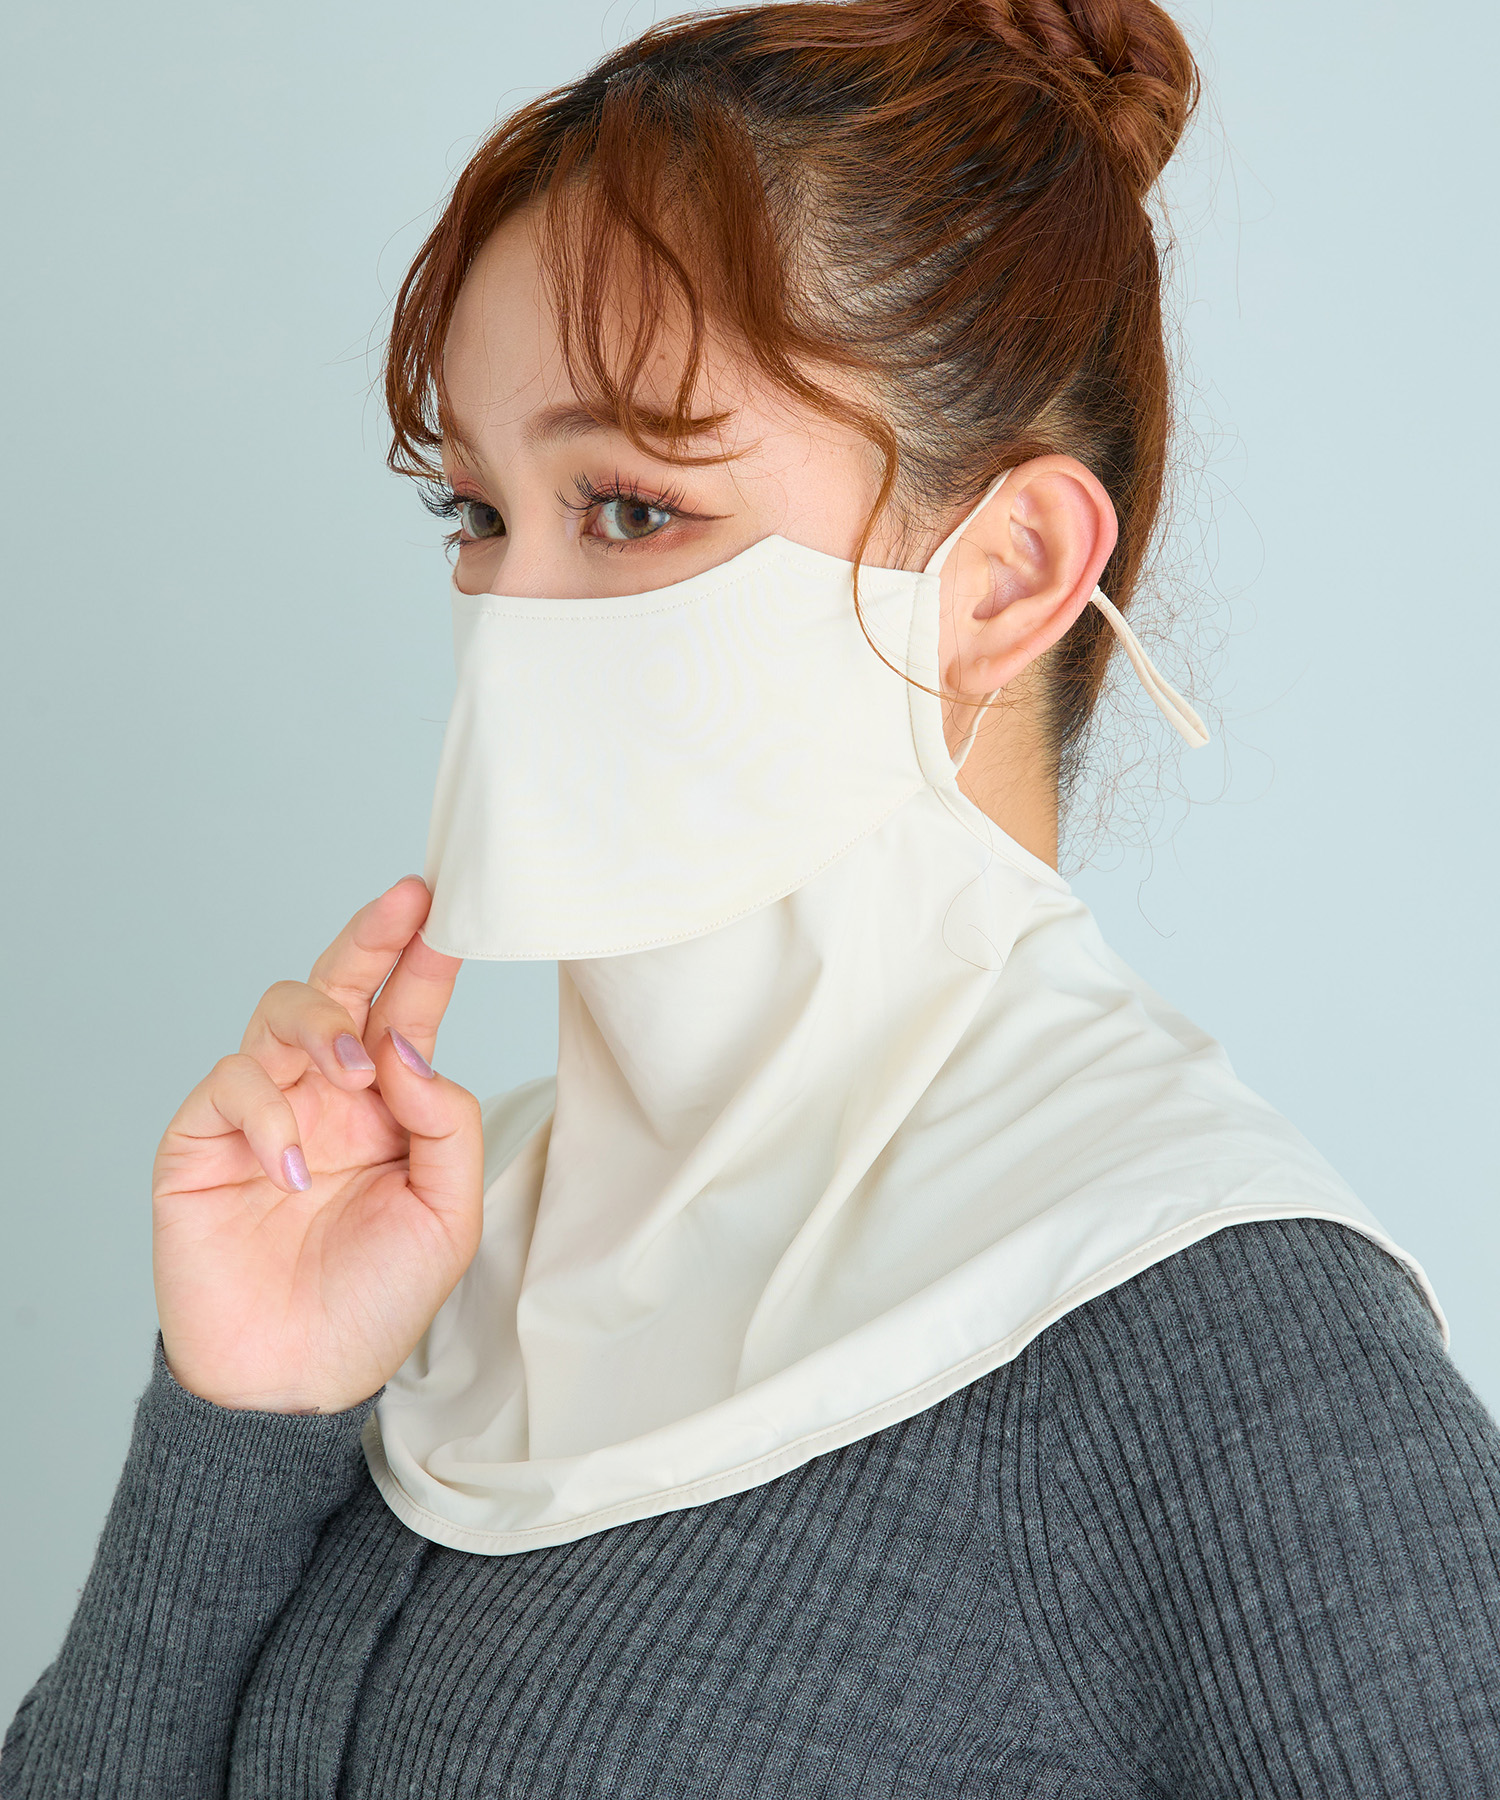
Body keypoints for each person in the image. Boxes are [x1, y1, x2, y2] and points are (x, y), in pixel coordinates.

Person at [6, 0, 1499, 1793]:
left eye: (633, 509)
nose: (511, 618)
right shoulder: (433, 1251)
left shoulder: (1230, 1355)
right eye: (476, 514)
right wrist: (240, 1413)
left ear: (1010, 573)